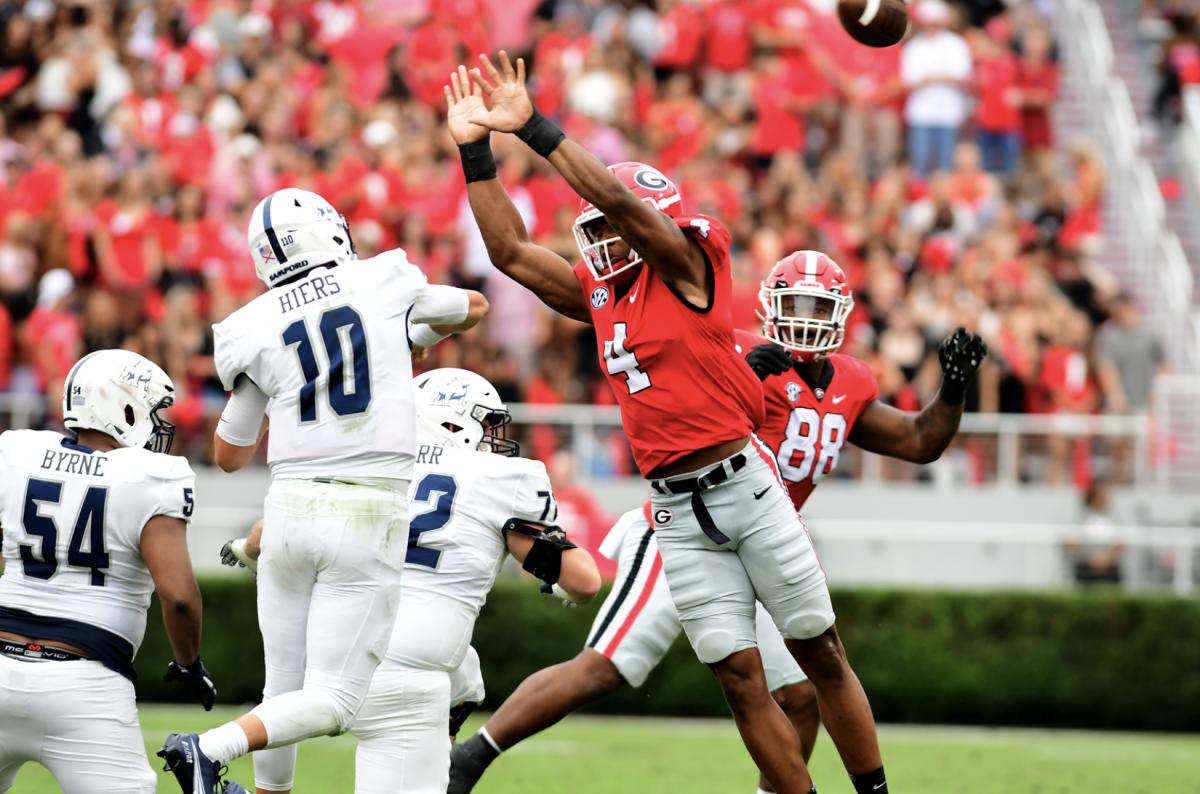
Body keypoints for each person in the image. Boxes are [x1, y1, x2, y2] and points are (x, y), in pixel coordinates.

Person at [447, 52, 879, 794]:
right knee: (742, 681)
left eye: (615, 229)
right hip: (676, 512)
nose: (603, 242)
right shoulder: (605, 294)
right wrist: (475, 151)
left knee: (820, 655)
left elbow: (618, 201)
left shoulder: (689, 265)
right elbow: (511, 252)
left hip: (745, 483)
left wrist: (537, 130)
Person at [450, 250, 988, 794]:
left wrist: (953, 388)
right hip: (679, 529)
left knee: (802, 694)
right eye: (796, 304)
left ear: (843, 314)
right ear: (771, 307)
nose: (805, 317)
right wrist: (736, 376)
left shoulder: (850, 384)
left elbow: (920, 441)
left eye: (818, 305)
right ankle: (471, 757)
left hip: (760, 541)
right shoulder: (738, 346)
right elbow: (673, 395)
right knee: (604, 668)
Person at [157, 188, 488, 794]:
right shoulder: (383, 281)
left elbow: (229, 456)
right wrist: (404, 337)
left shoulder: (255, 324)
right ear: (328, 231)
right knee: (335, 700)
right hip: (366, 506)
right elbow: (472, 306)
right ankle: (209, 749)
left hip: (287, 509)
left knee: (281, 681)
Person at [221, 368, 601, 794]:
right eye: (487, 423)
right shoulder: (501, 478)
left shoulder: (369, 460)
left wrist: (244, 549)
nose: (495, 438)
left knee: (465, 678)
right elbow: (585, 581)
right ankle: (214, 747)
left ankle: (251, 772)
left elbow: (268, 532)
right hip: (412, 668)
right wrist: (560, 579)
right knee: (448, 679)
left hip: (340, 640)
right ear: (454, 421)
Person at [0, 350, 213, 792]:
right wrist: (189, 662)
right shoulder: (152, 475)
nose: (157, 425)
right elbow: (178, 596)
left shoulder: (17, 452)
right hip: (85, 685)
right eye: (152, 411)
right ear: (126, 407)